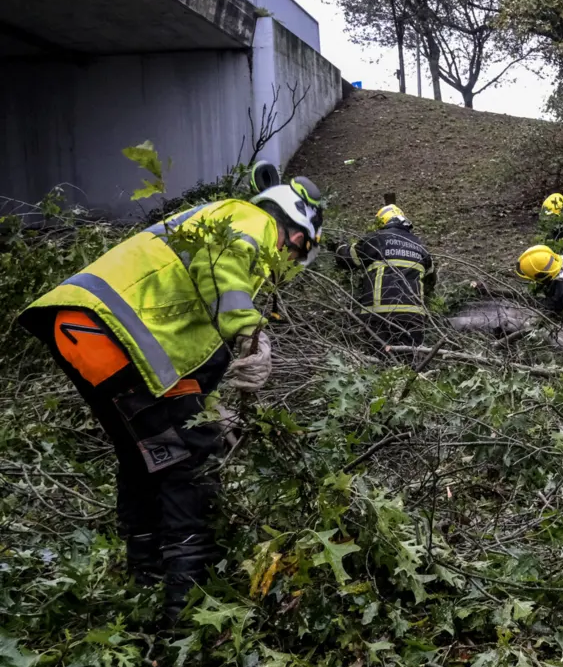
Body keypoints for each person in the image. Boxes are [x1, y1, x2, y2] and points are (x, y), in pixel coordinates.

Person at [18, 165, 324, 624]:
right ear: (291, 221)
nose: (288, 260)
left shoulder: (208, 232)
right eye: (297, 247)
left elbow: (190, 339)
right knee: (188, 460)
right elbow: (224, 263)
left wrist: (207, 407)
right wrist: (250, 332)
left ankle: (146, 585)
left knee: (147, 458)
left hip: (83, 331)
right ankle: (189, 606)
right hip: (117, 332)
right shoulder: (247, 219)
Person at [335, 201, 435, 347]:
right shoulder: (421, 247)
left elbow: (345, 259)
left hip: (378, 316)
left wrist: (339, 246)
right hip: (413, 318)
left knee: (378, 363)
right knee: (408, 362)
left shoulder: (375, 239)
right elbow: (430, 282)